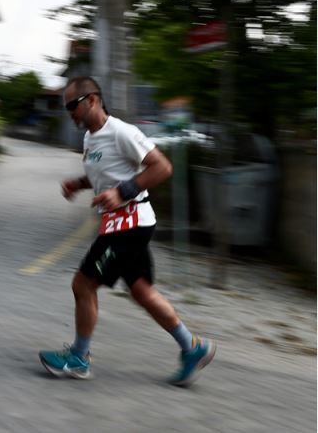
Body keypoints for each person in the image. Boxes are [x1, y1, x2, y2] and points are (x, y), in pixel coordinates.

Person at [39, 77, 215, 387]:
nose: (69, 113)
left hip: (128, 223)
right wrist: (78, 184)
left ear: (92, 100)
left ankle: (79, 358)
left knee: (83, 284)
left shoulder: (122, 132)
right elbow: (106, 176)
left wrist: (123, 193)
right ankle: (193, 347)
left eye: (72, 105)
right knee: (142, 292)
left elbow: (162, 167)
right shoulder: (91, 139)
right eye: (65, 107)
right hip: (123, 222)